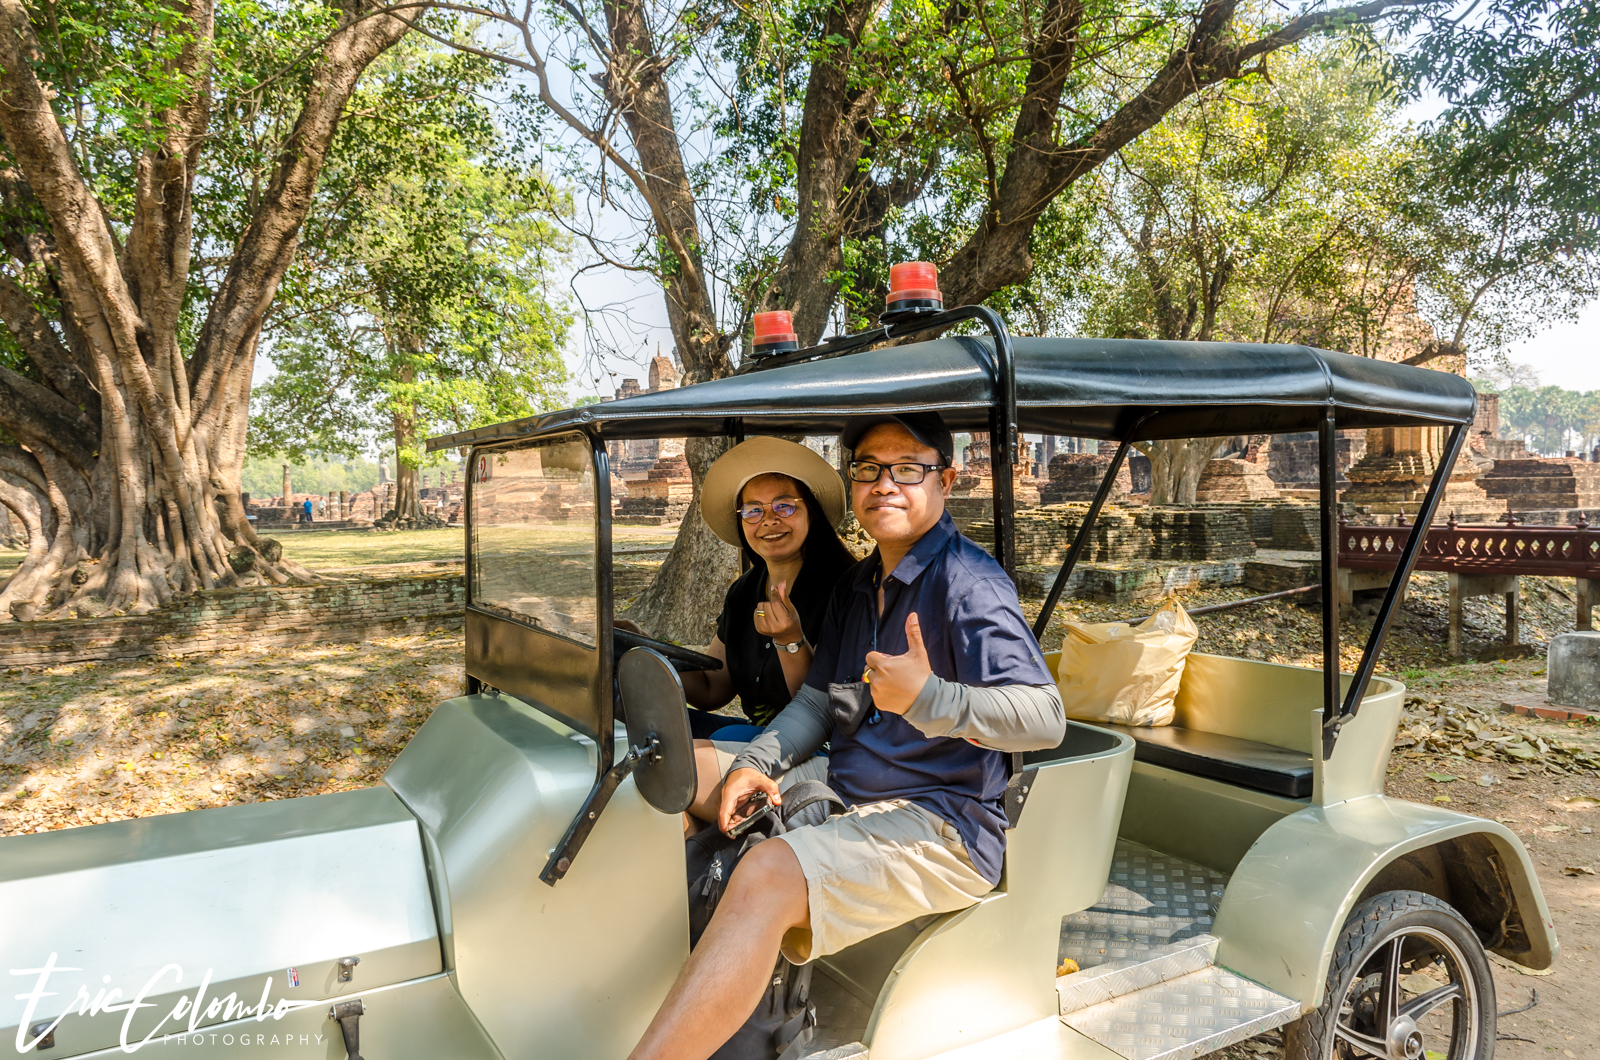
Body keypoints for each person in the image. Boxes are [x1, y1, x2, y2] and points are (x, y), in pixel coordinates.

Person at [627, 412, 1066, 1060]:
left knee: (767, 872)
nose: (884, 484)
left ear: (944, 481)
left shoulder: (967, 584)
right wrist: (755, 763)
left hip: (942, 821)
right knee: (677, 791)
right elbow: (816, 701)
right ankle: (672, 1000)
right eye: (868, 469)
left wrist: (933, 699)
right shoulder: (859, 587)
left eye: (907, 469)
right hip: (851, 790)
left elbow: (1046, 717)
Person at [672, 437, 855, 743]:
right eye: (753, 510)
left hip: (819, 747)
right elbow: (711, 688)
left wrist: (790, 641)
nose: (769, 520)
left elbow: (822, 712)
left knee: (727, 735)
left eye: (784, 506)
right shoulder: (744, 591)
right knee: (647, 718)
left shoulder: (847, 590)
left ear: (810, 511)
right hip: (756, 735)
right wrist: (646, 652)